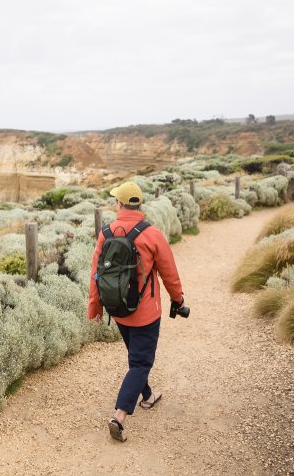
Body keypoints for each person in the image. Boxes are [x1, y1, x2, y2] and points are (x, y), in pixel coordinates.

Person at [88, 181, 185, 443]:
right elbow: (169, 273)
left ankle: (148, 396)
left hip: (118, 310)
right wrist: (178, 299)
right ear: (139, 204)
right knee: (141, 362)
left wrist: (95, 307)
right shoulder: (152, 233)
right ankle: (119, 417)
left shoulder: (105, 233)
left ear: (118, 204)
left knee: (135, 356)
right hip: (145, 313)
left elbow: (96, 274)